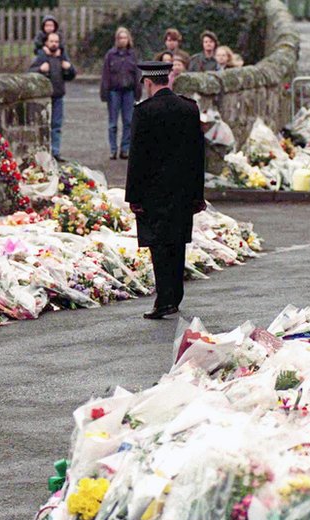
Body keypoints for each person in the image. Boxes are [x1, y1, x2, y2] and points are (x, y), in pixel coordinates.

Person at [125, 61, 206, 320]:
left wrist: (133, 196)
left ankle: (164, 299)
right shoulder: (189, 108)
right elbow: (198, 156)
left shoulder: (145, 112)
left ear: (148, 82)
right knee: (177, 241)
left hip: (154, 191)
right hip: (182, 189)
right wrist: (198, 194)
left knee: (159, 245)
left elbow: (137, 158)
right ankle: (175, 296)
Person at [30, 32, 76, 162]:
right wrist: (40, 69)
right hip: (44, 98)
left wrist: (69, 68)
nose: (54, 44)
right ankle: (42, 153)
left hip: (58, 96)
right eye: (51, 41)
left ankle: (55, 152)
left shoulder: (61, 57)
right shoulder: (41, 56)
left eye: (56, 41)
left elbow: (71, 75)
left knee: (56, 125)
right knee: (43, 125)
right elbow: (30, 73)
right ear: (46, 43)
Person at [100, 27, 142, 160]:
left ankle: (125, 149)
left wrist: (138, 91)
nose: (122, 40)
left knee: (128, 122)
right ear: (116, 40)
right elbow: (105, 75)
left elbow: (137, 74)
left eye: (124, 37)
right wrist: (104, 92)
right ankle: (113, 150)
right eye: (120, 38)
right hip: (114, 91)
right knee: (112, 123)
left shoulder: (133, 55)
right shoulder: (110, 55)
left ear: (128, 39)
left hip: (129, 91)